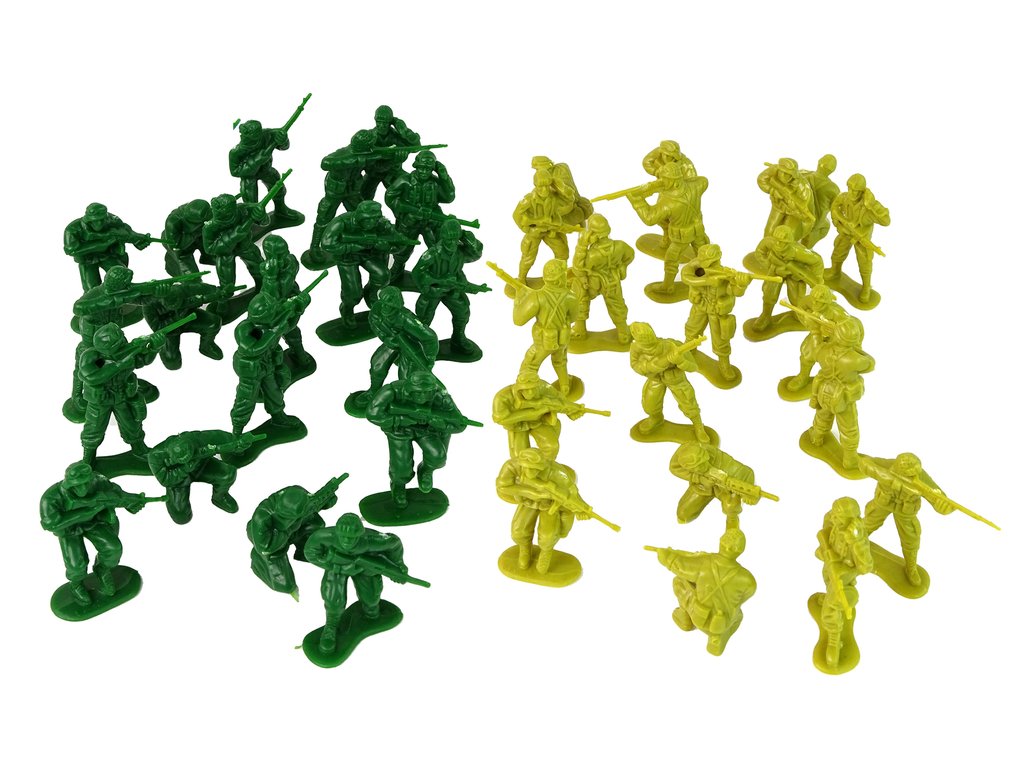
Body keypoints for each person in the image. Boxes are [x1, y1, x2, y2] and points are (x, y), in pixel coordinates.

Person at [39, 462, 150, 606]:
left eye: (86, 482)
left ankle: (102, 569)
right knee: (76, 565)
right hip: (69, 529)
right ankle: (76, 585)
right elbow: (51, 524)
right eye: (78, 484)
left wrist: (131, 501)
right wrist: (85, 513)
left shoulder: (98, 481)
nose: (83, 488)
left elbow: (116, 495)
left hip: (95, 521)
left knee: (113, 548)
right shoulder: (51, 498)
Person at [303, 513, 410, 653]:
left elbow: (394, 543)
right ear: (336, 532)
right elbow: (310, 552)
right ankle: (331, 627)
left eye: (352, 537)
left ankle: (371, 613)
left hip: (364, 567)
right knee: (333, 598)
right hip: (336, 566)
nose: (347, 541)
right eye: (343, 536)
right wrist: (337, 567)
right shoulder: (323, 536)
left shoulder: (374, 540)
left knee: (371, 598)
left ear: (360, 534)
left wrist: (399, 565)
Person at [366, 370, 471, 508]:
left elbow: (460, 424)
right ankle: (398, 486)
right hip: (400, 430)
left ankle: (426, 471)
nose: (423, 397)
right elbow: (373, 414)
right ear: (409, 388)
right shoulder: (391, 391)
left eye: (427, 393)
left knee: (438, 456)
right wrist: (400, 420)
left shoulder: (441, 396)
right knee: (401, 466)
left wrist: (440, 424)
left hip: (427, 429)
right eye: (418, 392)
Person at [653, 529, 756, 655]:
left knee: (679, 582)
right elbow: (746, 595)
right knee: (738, 615)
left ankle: (686, 618)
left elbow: (680, 567)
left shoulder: (705, 562)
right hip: (724, 623)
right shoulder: (748, 579)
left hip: (699, 617)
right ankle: (716, 638)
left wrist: (666, 557)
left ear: (721, 543)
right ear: (739, 550)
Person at [860, 453, 953, 586]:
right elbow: (864, 463)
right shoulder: (889, 465)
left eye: (914, 474)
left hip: (906, 511)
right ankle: (855, 543)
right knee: (869, 523)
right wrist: (888, 478)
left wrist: (943, 506)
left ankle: (911, 568)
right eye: (908, 475)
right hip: (883, 502)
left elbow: (939, 497)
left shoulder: (921, 477)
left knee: (911, 538)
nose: (913, 477)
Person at [495, 448, 592, 575]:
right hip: (527, 501)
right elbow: (502, 486)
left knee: (548, 536)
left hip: (549, 504)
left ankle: (546, 553)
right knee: (518, 531)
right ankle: (525, 549)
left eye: (536, 469)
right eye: (528, 468)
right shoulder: (512, 466)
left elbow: (571, 491)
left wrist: (581, 508)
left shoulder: (556, 472)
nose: (532, 472)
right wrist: (531, 492)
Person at [78, 323, 165, 462]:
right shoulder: (91, 356)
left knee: (131, 424)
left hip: (122, 396)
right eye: (120, 342)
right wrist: (119, 365)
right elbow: (91, 377)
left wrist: (155, 348)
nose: (124, 342)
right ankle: (88, 458)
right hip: (100, 400)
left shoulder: (126, 352)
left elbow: (142, 360)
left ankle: (139, 449)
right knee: (94, 428)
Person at [247, 476, 345, 596]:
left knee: (315, 524)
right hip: (270, 539)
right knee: (283, 579)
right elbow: (264, 548)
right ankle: (262, 567)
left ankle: (304, 553)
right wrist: (290, 529)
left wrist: (325, 502)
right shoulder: (262, 519)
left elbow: (310, 508)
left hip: (292, 527)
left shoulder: (300, 494)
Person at [319, 200, 410, 326]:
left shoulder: (382, 223)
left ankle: (371, 296)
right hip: (347, 257)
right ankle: (347, 309)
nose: (372, 223)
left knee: (383, 275)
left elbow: (399, 243)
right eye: (368, 220)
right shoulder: (341, 222)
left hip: (370, 254)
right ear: (360, 217)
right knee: (353, 292)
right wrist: (353, 246)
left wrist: (387, 247)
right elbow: (327, 244)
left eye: (375, 219)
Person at [230, 292, 309, 435]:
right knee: (246, 399)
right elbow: (252, 350)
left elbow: (289, 326)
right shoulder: (244, 328)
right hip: (249, 368)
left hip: (267, 363)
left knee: (273, 391)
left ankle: (279, 417)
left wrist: (299, 310)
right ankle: (237, 430)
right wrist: (273, 332)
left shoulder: (272, 323)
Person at [628, 162, 709, 293]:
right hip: (698, 230)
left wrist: (637, 200)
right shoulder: (696, 186)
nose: (662, 181)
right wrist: (661, 186)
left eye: (665, 179)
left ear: (673, 180)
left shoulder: (668, 203)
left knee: (671, 260)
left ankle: (667, 287)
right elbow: (704, 180)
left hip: (681, 236)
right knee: (705, 254)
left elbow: (649, 218)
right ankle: (708, 276)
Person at [412, 218, 488, 358]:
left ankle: (458, 339)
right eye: (449, 240)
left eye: (455, 239)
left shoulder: (460, 252)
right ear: (442, 237)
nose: (452, 244)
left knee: (463, 312)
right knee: (424, 317)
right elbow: (417, 273)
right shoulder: (432, 254)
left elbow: (476, 254)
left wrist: (466, 236)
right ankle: (419, 344)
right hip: (433, 290)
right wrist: (428, 288)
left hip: (453, 289)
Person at [806, 317, 875, 471]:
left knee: (822, 416)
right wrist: (856, 347)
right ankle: (850, 459)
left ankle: (817, 437)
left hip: (824, 392)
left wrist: (818, 332)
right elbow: (871, 364)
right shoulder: (855, 360)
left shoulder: (823, 351)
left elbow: (816, 350)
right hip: (843, 399)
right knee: (849, 428)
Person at [814, 497, 874, 670]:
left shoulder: (857, 538)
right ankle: (829, 597)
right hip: (831, 567)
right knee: (828, 583)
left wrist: (856, 544)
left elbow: (866, 567)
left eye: (838, 517)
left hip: (844, 575)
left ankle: (834, 637)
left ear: (850, 520)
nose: (833, 518)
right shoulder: (834, 521)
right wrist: (826, 553)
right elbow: (825, 532)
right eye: (834, 514)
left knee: (831, 609)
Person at [148, 431, 254, 524]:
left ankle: (219, 497)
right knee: (181, 516)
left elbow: (221, 438)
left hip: (201, 466)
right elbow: (166, 480)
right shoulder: (155, 455)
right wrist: (184, 469)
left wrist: (239, 443)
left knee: (228, 474)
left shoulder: (196, 437)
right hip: (178, 480)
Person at [679, 244, 752, 379]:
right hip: (700, 306)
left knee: (720, 339)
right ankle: (689, 351)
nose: (705, 265)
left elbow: (736, 292)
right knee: (692, 329)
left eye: (709, 263)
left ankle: (724, 364)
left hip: (716, 311)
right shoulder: (696, 268)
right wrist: (708, 280)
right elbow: (686, 276)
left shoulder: (725, 275)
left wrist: (741, 284)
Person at [628, 321, 708, 439]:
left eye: (648, 336)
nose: (647, 341)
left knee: (688, 402)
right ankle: (656, 419)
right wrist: (651, 366)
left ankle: (698, 426)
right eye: (643, 339)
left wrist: (680, 361)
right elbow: (635, 365)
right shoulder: (635, 348)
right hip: (655, 378)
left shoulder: (672, 345)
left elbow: (693, 367)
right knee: (650, 403)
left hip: (675, 379)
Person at [384, 149, 456, 279]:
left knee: (436, 247)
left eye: (427, 169)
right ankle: (397, 270)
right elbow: (390, 197)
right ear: (416, 167)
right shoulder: (404, 180)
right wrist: (410, 210)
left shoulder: (435, 182)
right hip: (409, 221)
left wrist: (444, 177)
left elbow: (449, 197)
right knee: (402, 248)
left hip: (430, 222)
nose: (424, 172)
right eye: (421, 168)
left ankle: (436, 272)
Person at [513, 259, 578, 395]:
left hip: (543, 340)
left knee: (531, 363)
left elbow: (518, 320)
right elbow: (573, 318)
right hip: (562, 337)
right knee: (560, 361)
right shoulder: (571, 297)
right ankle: (565, 386)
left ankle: (527, 391)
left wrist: (519, 299)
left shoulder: (537, 297)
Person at [491, 372, 592, 460]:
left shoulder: (544, 387)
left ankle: (545, 468)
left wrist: (571, 410)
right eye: (526, 389)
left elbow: (559, 401)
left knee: (551, 447)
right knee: (519, 457)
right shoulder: (502, 397)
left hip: (540, 421)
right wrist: (531, 413)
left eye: (533, 389)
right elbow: (501, 420)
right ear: (519, 388)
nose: (530, 393)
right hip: (517, 425)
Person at [669, 442, 769, 526]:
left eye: (703, 464)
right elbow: (675, 469)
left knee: (731, 506)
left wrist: (748, 493)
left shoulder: (714, 454)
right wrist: (699, 479)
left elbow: (746, 472)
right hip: (703, 486)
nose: (702, 468)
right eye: (697, 468)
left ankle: (732, 530)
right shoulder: (682, 456)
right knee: (683, 514)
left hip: (725, 487)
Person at [570, 214, 634, 344]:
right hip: (613, 281)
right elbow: (630, 255)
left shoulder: (593, 255)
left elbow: (578, 268)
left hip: (594, 283)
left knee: (579, 292)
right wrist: (622, 267)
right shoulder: (620, 246)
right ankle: (623, 332)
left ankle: (579, 329)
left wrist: (582, 244)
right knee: (616, 304)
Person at [828, 174, 891, 302]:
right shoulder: (844, 197)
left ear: (862, 191)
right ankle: (835, 272)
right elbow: (834, 208)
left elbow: (886, 221)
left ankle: (866, 287)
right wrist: (840, 225)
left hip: (861, 238)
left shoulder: (867, 206)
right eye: (850, 188)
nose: (851, 193)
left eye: (855, 190)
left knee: (865, 262)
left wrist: (871, 204)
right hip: (846, 233)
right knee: (838, 252)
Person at [749, 225, 824, 330]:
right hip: (775, 270)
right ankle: (766, 315)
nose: (778, 244)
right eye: (777, 241)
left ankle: (799, 314)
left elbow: (817, 261)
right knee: (769, 292)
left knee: (797, 298)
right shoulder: (769, 242)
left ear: (789, 243)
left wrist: (816, 278)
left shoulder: (798, 252)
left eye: (783, 242)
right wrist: (771, 265)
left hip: (794, 274)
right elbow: (759, 252)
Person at [229, 118, 302, 225]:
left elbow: (283, 146)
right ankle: (253, 221)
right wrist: (256, 161)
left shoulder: (268, 135)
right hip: (249, 177)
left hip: (266, 170)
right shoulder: (236, 152)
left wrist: (283, 140)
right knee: (250, 200)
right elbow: (235, 171)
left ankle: (281, 210)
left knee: (278, 189)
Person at [64, 202, 154, 290]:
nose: (99, 223)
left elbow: (126, 233)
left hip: (109, 255)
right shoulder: (73, 229)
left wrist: (137, 241)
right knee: (91, 289)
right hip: (87, 259)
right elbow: (71, 251)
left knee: (122, 277)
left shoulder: (113, 220)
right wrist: (99, 245)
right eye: (95, 220)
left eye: (102, 219)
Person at [784, 284, 849, 392]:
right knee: (807, 351)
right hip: (818, 334)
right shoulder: (807, 302)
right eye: (813, 300)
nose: (814, 303)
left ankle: (837, 379)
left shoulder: (838, 313)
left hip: (836, 340)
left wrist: (834, 331)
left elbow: (848, 331)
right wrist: (808, 320)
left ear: (827, 302)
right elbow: (801, 311)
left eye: (819, 302)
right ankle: (803, 376)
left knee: (834, 361)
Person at [162, 198, 213, 275]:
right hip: (180, 242)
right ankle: (174, 265)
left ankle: (207, 257)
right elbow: (175, 245)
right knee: (191, 275)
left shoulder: (207, 213)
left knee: (207, 240)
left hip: (198, 236)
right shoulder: (173, 222)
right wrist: (195, 234)